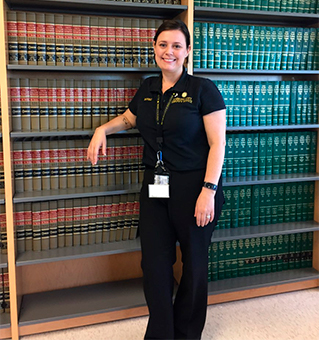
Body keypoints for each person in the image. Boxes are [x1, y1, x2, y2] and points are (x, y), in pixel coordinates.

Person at [87, 19, 226, 340]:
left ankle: (187, 332)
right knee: (154, 263)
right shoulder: (148, 87)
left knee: (193, 263)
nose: (169, 52)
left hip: (196, 186)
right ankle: (161, 333)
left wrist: (209, 190)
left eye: (177, 45)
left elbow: (218, 143)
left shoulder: (203, 89)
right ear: (154, 48)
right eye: (163, 45)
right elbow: (128, 118)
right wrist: (102, 129)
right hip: (156, 185)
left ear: (188, 51)